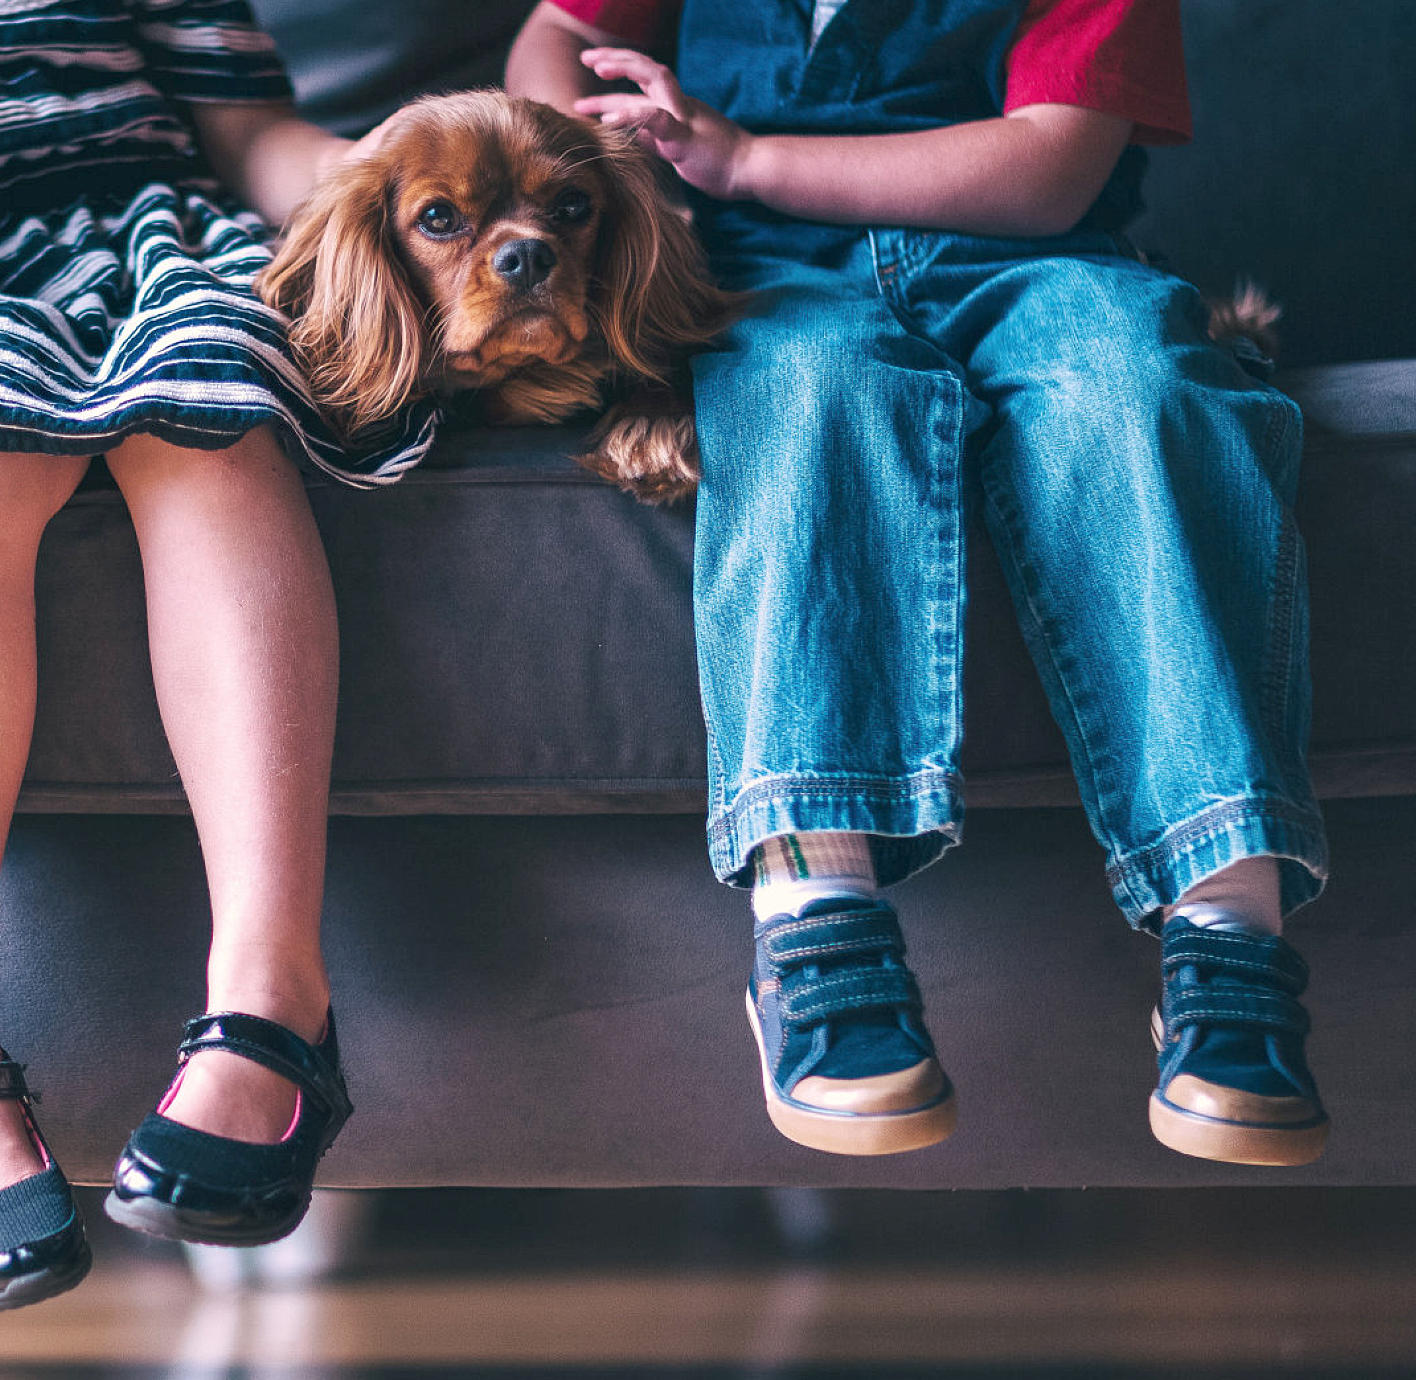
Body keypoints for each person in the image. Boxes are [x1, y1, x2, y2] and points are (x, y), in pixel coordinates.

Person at [508, 0, 1330, 1166]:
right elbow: (554, 31)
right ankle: (815, 906)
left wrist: (745, 160)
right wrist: (593, 175)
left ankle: (1227, 918)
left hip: (1037, 262)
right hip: (771, 278)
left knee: (1143, 399)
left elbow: (1050, 168)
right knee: (809, 400)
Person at [0, 0, 414, 1311]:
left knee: (207, 424)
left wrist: (396, 181)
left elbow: (250, 131)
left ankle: (273, 994)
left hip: (156, 231)